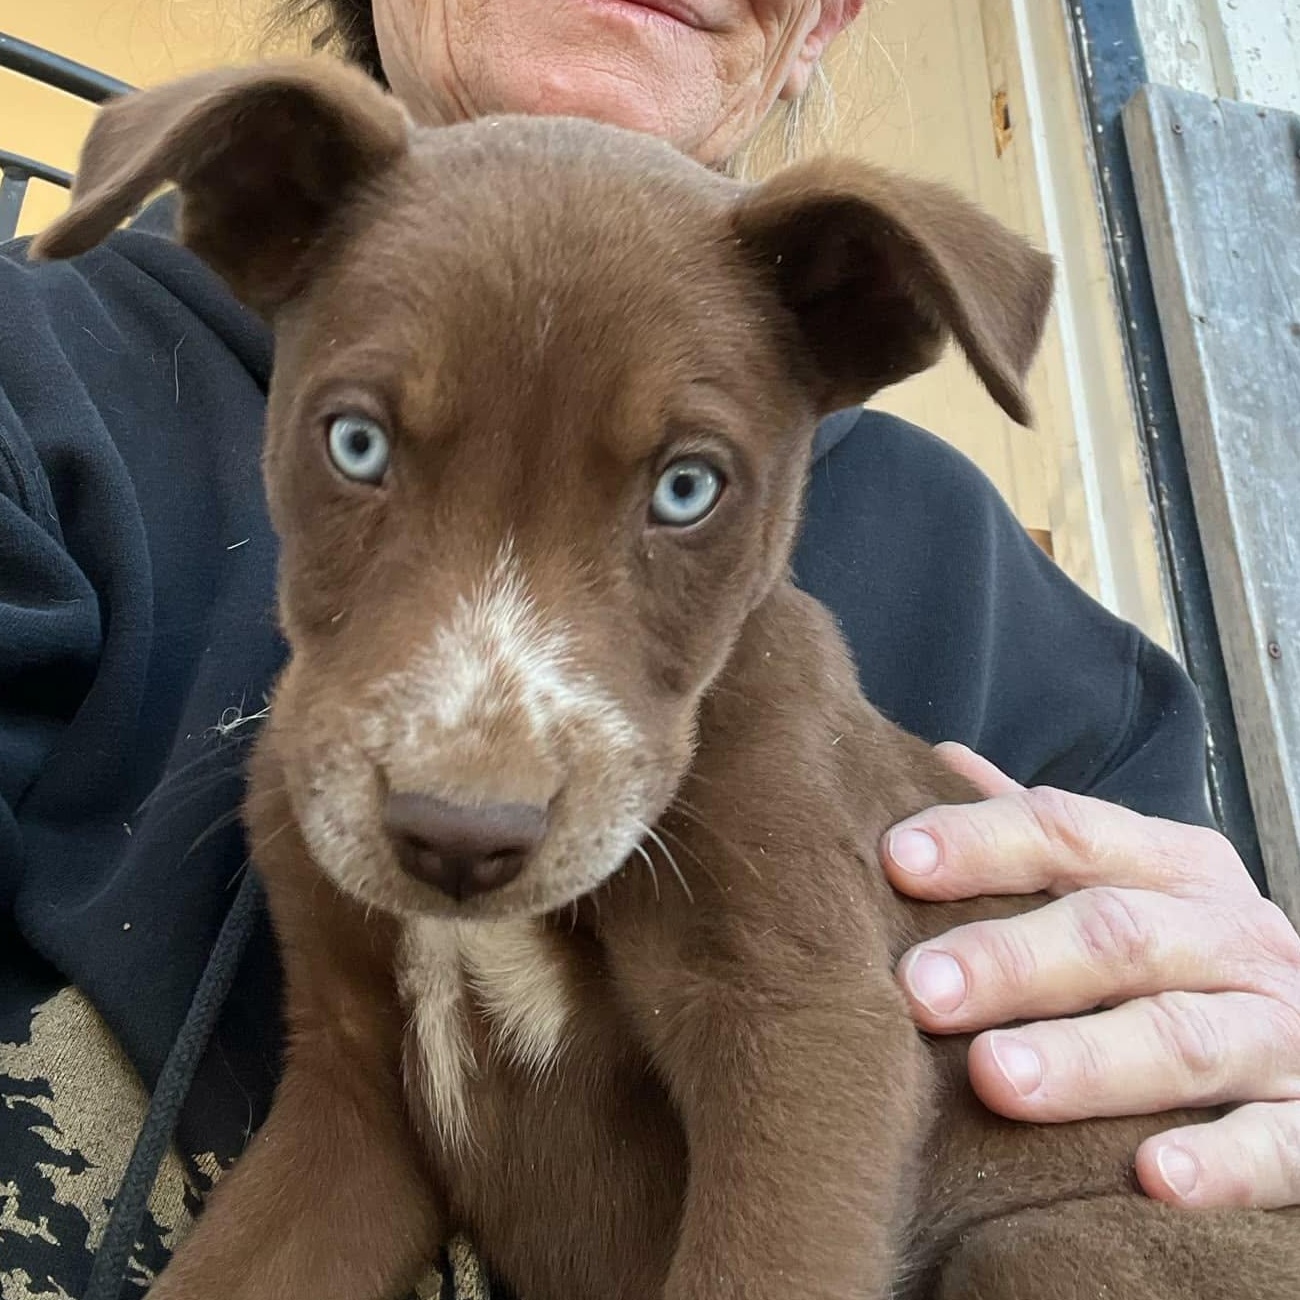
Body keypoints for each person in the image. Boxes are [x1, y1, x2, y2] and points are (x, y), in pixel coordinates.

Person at [1, 1, 1297, 1295]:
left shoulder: (1057, 690)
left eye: (687, 488)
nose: (477, 755)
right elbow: (359, 1118)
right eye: (363, 446)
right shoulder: (38, 391)